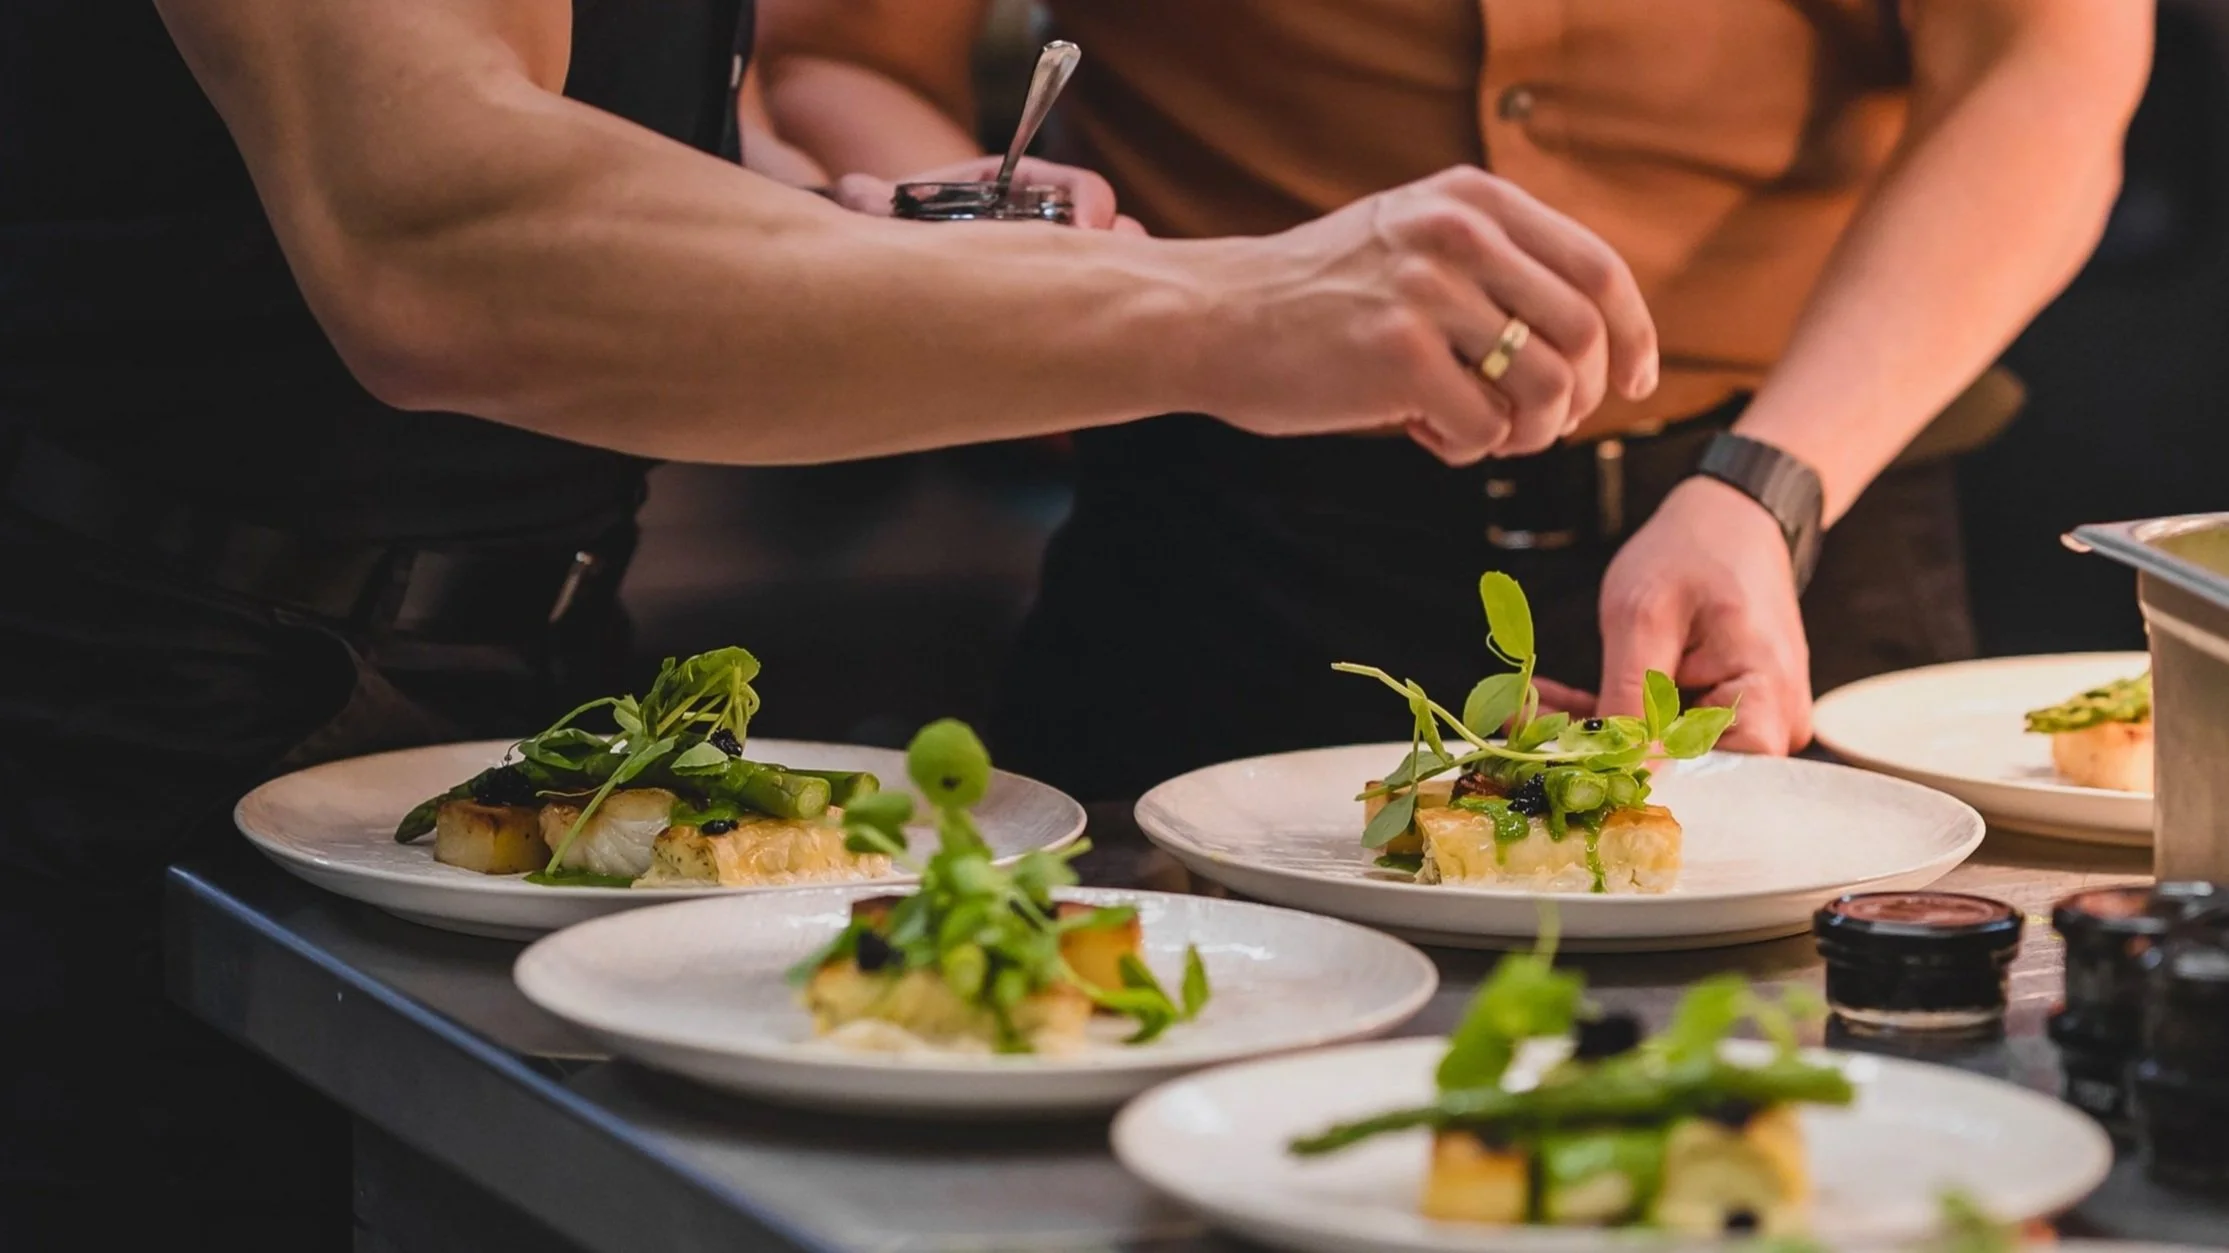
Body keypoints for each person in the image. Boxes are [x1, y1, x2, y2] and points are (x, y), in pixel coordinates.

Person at [0, 0, 1673, 1242]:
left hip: (520, 677)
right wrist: (1236, 303)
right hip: (117, 693)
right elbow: (431, 235)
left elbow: (647, 124)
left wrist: (868, 229)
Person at [759, 0, 2153, 799]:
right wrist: (1023, 293)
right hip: (1220, 558)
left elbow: (2048, 74)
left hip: (1790, 549)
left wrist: (1768, 486)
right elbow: (844, 56)